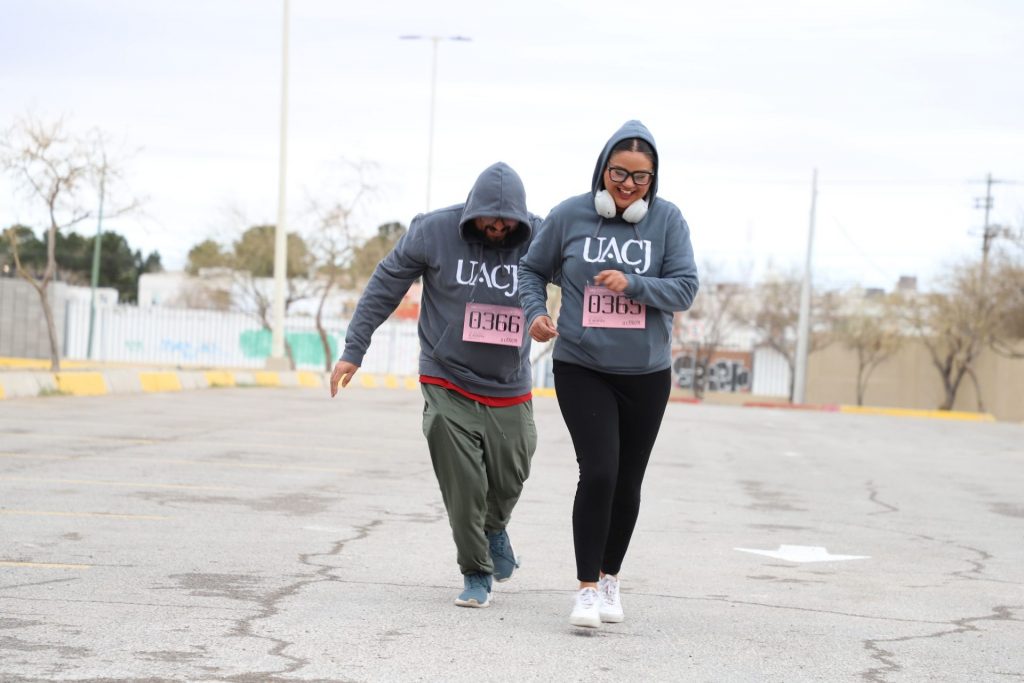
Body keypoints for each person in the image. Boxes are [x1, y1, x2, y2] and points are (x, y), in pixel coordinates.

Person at [331, 161, 542, 609]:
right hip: (447, 375)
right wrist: (354, 348)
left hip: (509, 383)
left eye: (507, 222)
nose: (498, 228)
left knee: (511, 475)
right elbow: (385, 285)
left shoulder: (540, 236)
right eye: (489, 220)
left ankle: (494, 528)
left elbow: (582, 275)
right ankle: (475, 571)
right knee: (464, 482)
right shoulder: (433, 231)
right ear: (472, 212)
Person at [518, 120, 698, 628]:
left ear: (653, 180)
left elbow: (685, 288)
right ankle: (585, 589)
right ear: (602, 169)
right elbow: (531, 269)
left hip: (646, 373)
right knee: (599, 471)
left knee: (628, 481)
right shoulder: (570, 215)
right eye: (619, 173)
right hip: (582, 365)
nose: (627, 185)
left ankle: (610, 577)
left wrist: (634, 284)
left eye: (640, 177)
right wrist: (535, 312)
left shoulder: (668, 221)